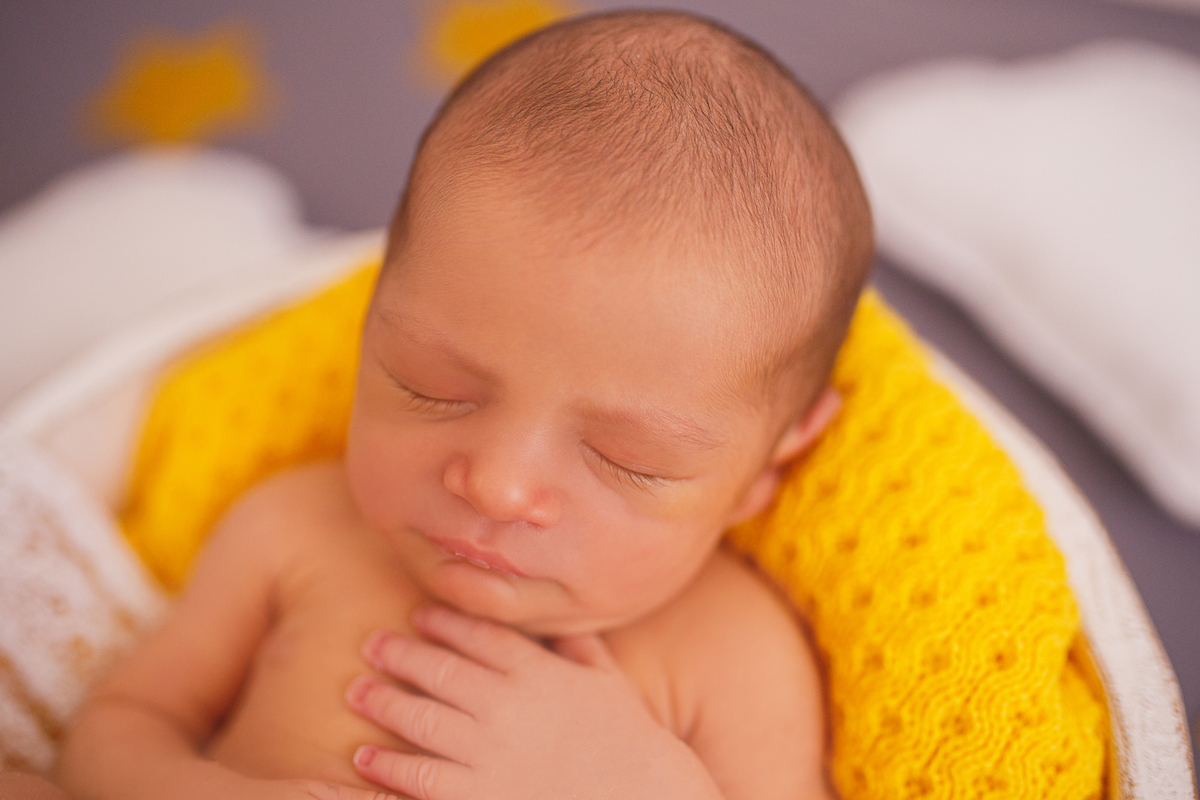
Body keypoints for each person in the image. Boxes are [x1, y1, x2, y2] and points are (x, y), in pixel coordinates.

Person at [56, 10, 872, 800]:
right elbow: (121, 726)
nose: (497, 485)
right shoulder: (298, 527)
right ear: (373, 316)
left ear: (770, 465)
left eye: (628, 460)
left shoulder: (729, 653)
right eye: (431, 388)